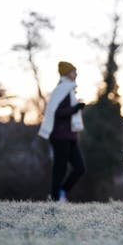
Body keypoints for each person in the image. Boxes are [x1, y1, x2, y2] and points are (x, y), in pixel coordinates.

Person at [38, 61, 86, 201]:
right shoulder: (62, 89)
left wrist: (76, 107)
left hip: (70, 136)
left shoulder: (69, 90)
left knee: (80, 168)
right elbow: (56, 112)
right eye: (73, 71)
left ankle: (61, 192)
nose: (76, 74)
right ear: (66, 74)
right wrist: (75, 108)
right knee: (60, 168)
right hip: (59, 136)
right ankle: (55, 198)